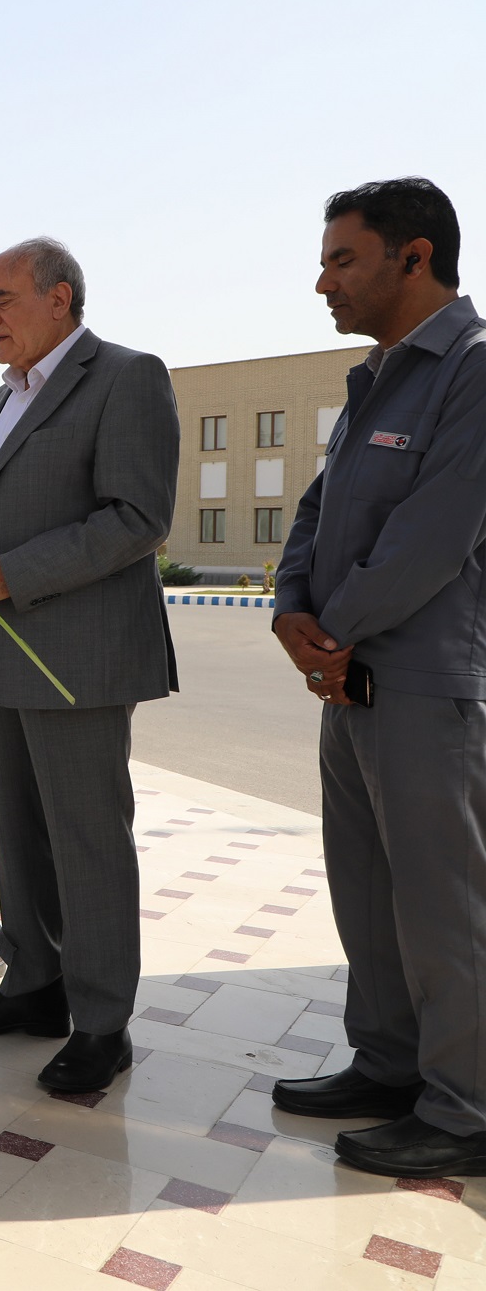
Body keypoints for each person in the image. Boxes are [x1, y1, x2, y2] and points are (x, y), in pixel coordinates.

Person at [0, 238, 178, 1095]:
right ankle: (34, 984)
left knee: (88, 841)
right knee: (21, 836)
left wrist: (13, 573)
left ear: (59, 298)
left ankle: (102, 1024)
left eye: (2, 299)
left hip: (76, 661)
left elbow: (138, 516)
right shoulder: (0, 402)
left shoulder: (127, 377)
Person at [270, 177, 486, 1178]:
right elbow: (315, 510)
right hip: (348, 678)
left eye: (341, 259)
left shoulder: (471, 371)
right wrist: (289, 608)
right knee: (366, 892)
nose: (322, 282)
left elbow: (432, 536)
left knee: (443, 904)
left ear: (414, 256)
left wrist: (333, 632)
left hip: (424, 684)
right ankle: (390, 1065)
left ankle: (465, 1107)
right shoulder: (375, 378)